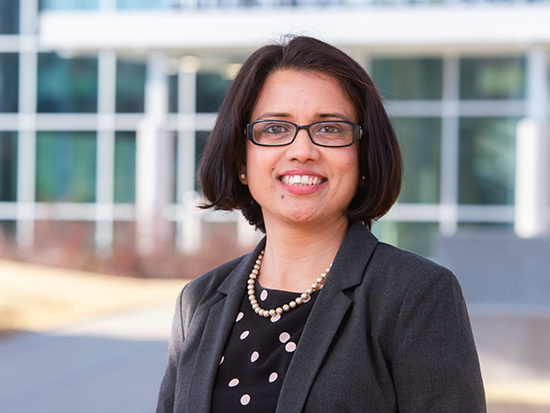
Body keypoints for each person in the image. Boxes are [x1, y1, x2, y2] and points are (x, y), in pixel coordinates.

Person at [156, 35, 486, 412]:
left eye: (330, 129)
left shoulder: (416, 296)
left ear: (363, 158)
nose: (302, 151)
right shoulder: (198, 303)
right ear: (242, 161)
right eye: (275, 128)